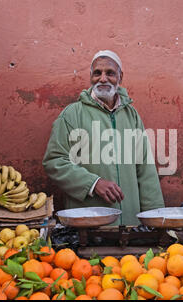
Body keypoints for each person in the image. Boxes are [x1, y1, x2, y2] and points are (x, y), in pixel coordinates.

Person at [42, 50, 165, 226]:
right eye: (97, 73)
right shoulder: (72, 115)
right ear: (91, 77)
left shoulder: (132, 115)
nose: (103, 79)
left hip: (130, 225)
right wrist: (93, 183)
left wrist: (156, 220)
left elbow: (145, 170)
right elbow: (54, 161)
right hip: (89, 226)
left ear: (120, 77)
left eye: (110, 73)